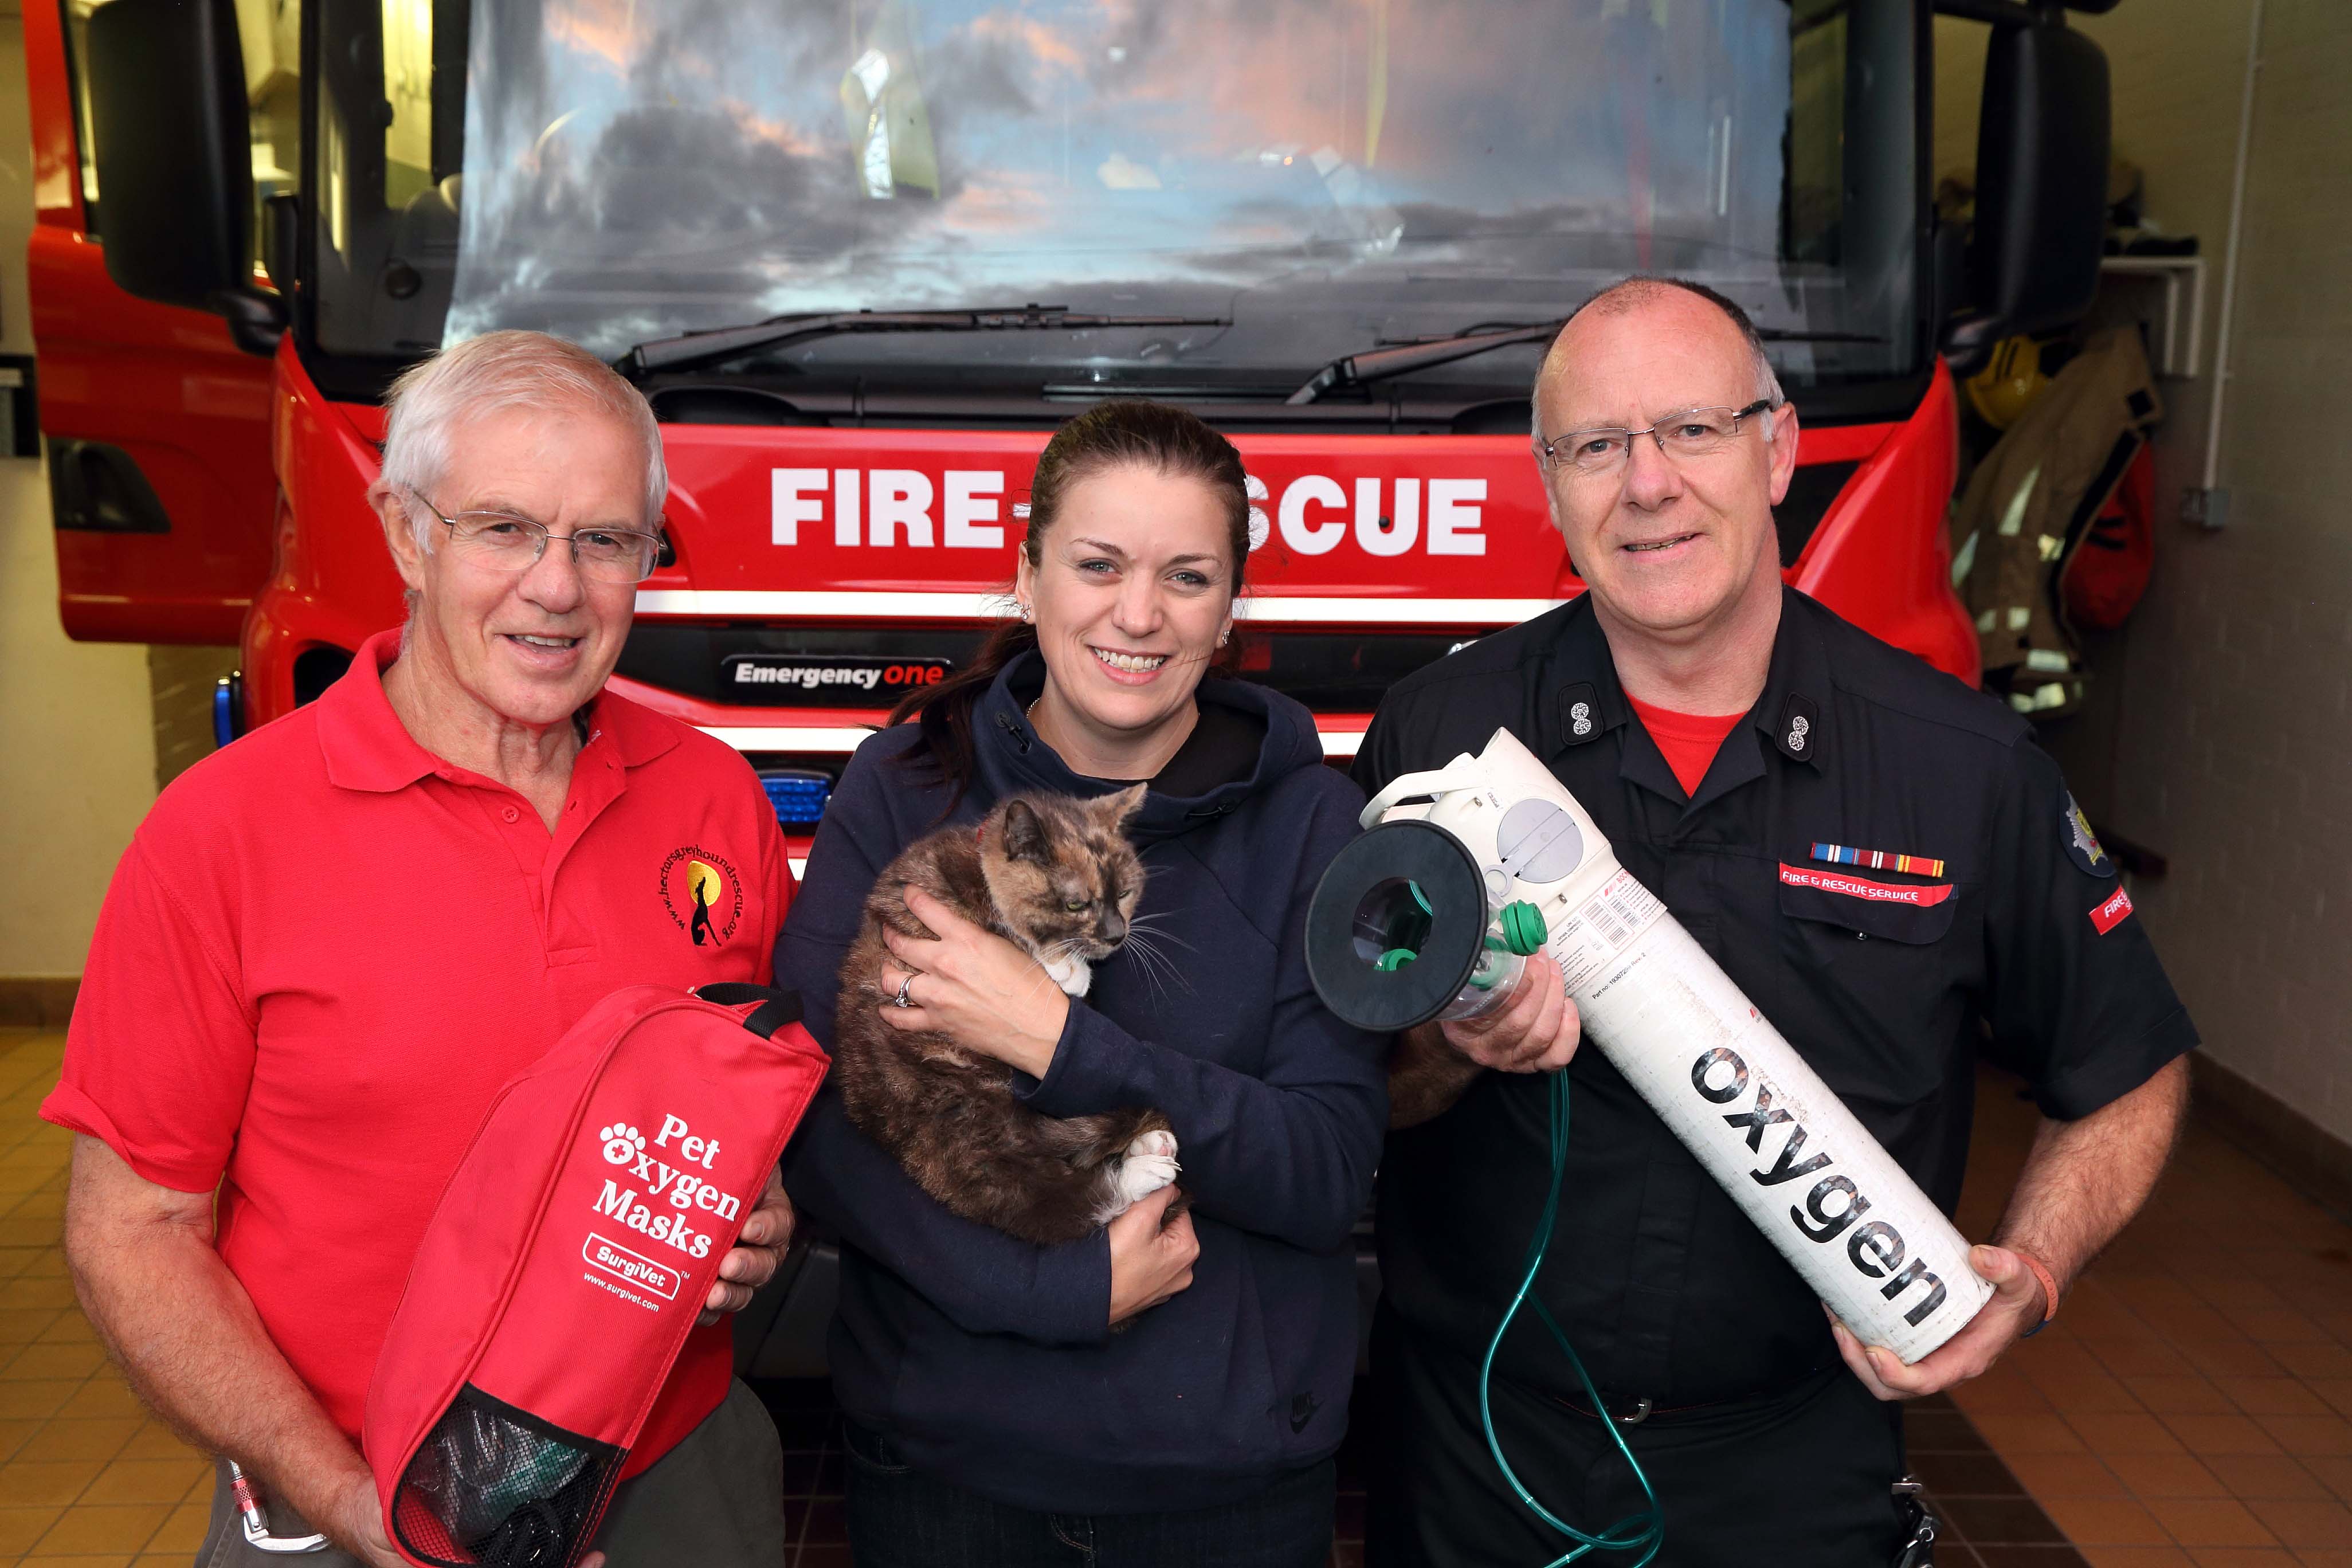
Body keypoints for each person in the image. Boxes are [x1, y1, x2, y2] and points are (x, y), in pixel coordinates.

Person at [1353, 279, 2196, 1566]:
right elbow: (1355, 1084)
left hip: (1795, 1465)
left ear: (1779, 448)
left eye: (1692, 429)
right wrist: (1451, 1043)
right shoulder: (1443, 738)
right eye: (1597, 446)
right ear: (1551, 483)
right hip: (1477, 1455)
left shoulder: (1961, 768)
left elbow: (2127, 1067)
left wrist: (2032, 1271)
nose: (1647, 485)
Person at [44, 331, 798, 1567]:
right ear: (405, 534)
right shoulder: (222, 835)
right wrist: (342, 1499)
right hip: (351, 1494)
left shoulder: (713, 800)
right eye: (503, 528)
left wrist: (761, 1208)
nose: (557, 587)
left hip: (677, 1480)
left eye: (604, 540)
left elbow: (732, 1102)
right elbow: (133, 1234)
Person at [777, 400, 1386, 1567]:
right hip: (950, 1473)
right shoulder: (904, 790)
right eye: (1097, 565)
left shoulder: (1315, 825)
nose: (1139, 615)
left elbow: (1323, 1170)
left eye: (1189, 577)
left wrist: (1060, 1042)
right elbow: (817, 1122)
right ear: (1027, 576)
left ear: (1232, 612)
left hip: (1230, 1487)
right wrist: (1044, 1289)